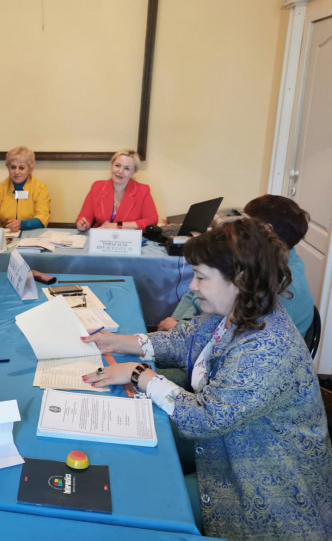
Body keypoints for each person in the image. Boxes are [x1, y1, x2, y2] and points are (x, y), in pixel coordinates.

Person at [82, 219, 332, 539]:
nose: (192, 286)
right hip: (228, 448)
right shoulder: (237, 310)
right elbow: (183, 340)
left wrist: (140, 374)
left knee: (137, 499)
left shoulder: (268, 348)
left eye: (201, 277)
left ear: (239, 280)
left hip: (262, 492)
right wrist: (119, 342)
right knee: (126, 447)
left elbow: (205, 419)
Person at [157, 195, 314, 336]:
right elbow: (193, 296)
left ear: (266, 230)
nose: (239, 228)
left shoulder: (278, 284)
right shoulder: (264, 259)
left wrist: (178, 328)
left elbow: (235, 336)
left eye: (245, 222)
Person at [75, 149, 158, 232]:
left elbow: (152, 220)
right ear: (112, 166)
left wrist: (117, 225)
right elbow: (85, 216)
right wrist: (83, 224)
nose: (120, 171)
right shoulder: (97, 187)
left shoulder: (143, 191)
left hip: (128, 238)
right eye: (117, 165)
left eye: (127, 168)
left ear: (134, 171)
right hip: (101, 237)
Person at [0, 146, 50, 232]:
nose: (16, 172)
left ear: (30, 169)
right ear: (8, 168)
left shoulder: (40, 188)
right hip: (4, 233)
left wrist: (22, 224)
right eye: (13, 167)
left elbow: (43, 217)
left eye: (21, 168)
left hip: (31, 234)